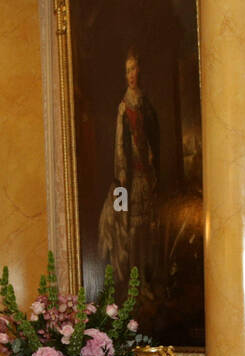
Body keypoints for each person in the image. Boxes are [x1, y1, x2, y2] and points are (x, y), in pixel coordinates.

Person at [98, 48, 160, 297]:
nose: (132, 74)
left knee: (147, 229)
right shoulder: (123, 108)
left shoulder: (146, 104)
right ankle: (132, 285)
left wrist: (152, 162)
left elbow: (153, 141)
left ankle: (145, 282)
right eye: (127, 70)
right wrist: (122, 178)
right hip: (128, 181)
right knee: (129, 230)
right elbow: (119, 147)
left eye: (134, 69)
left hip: (146, 176)